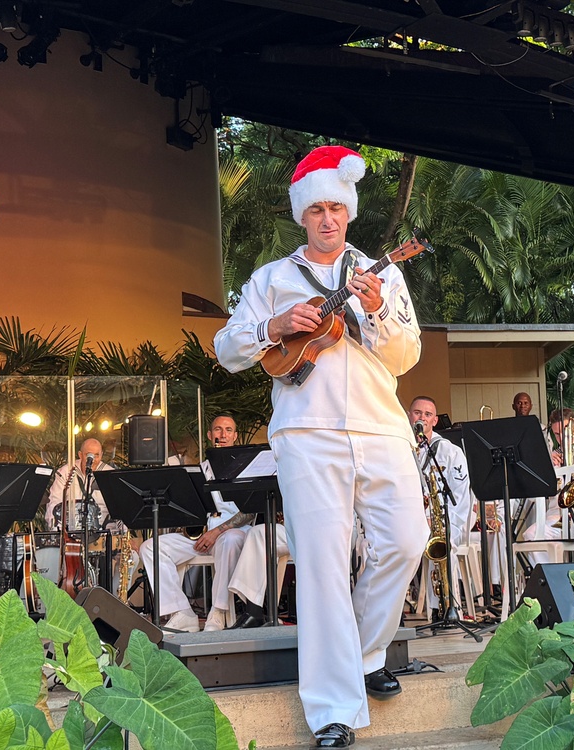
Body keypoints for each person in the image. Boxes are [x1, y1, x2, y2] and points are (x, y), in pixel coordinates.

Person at [214, 145, 427, 749]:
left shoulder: (382, 273)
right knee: (323, 566)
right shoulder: (272, 279)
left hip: (382, 427)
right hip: (305, 435)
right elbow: (228, 348)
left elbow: (406, 356)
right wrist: (274, 327)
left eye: (337, 208)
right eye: (317, 210)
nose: (327, 219)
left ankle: (363, 654)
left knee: (407, 540)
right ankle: (333, 710)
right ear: (302, 215)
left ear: (350, 213)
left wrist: (378, 310)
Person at [138, 415, 254, 633]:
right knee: (151, 548)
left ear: (235, 436)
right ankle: (182, 612)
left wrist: (218, 531)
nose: (223, 435)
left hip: (236, 532)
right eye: (218, 430)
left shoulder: (246, 466)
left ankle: (218, 611)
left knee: (229, 539)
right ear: (210, 436)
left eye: (228, 430)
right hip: (205, 536)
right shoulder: (201, 468)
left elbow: (249, 511)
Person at [407, 396, 475, 616]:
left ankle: (443, 606)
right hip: (410, 521)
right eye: (418, 413)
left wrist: (445, 526)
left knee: (442, 546)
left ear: (435, 421)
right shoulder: (401, 449)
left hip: (447, 519)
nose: (422, 418)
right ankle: (395, 608)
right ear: (410, 416)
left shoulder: (450, 452)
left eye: (427, 415)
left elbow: (461, 496)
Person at [44, 438, 112, 532]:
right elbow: (54, 504)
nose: (92, 460)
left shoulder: (110, 474)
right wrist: (57, 531)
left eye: (97, 455)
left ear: (101, 455)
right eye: (89, 455)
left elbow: (121, 509)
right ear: (80, 455)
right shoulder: (66, 472)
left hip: (102, 533)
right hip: (70, 532)